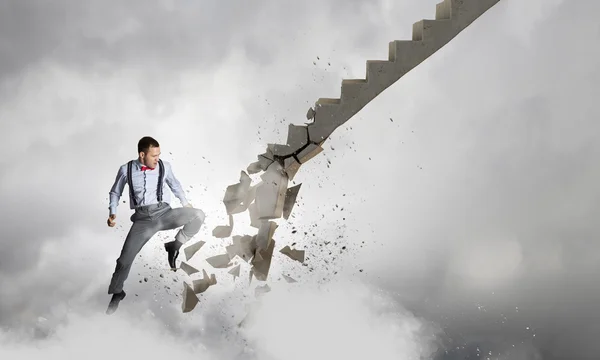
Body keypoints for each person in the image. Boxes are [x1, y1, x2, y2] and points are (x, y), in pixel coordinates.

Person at [105, 136, 206, 315]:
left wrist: (184, 202)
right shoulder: (125, 169)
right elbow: (115, 192)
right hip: (143, 221)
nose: (157, 159)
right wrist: (112, 212)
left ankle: (175, 244)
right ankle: (117, 292)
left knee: (198, 215)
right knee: (123, 261)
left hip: (165, 214)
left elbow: (175, 185)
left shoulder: (164, 166)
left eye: (159, 155)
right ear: (142, 155)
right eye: (153, 156)